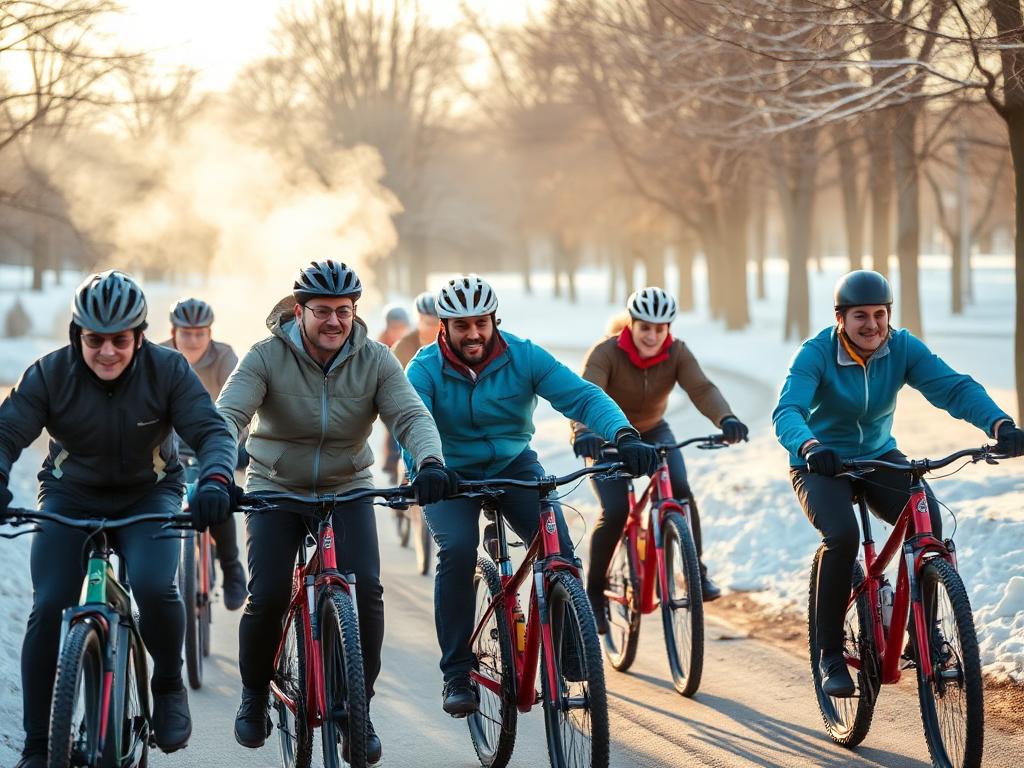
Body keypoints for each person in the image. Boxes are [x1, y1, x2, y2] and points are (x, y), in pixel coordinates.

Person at [216, 259, 455, 764]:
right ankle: (255, 693)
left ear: (354, 312)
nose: (333, 321)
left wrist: (430, 460)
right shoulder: (265, 356)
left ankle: (356, 709)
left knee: (366, 587)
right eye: (321, 311)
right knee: (270, 593)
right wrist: (218, 470)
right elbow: (229, 415)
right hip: (275, 486)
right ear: (298, 311)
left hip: (347, 485)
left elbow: (410, 414)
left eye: (343, 311)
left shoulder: (376, 359)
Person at [0, 270, 237, 768]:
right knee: (48, 607)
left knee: (154, 585)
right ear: (76, 336)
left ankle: (168, 684)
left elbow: (212, 431)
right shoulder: (48, 374)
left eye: (120, 340)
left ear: (140, 335)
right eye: (94, 340)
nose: (107, 351)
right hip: (70, 496)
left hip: (148, 496)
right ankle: (38, 746)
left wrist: (215, 478)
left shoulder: (169, 370)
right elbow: (6, 432)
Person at [404, 274, 659, 716]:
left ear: (494, 320)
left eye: (481, 323)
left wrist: (623, 433)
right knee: (459, 550)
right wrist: (426, 467)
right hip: (447, 472)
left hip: (513, 465)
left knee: (556, 543)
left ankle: (568, 642)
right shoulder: (423, 368)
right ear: (444, 326)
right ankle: (456, 673)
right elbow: (413, 423)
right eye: (462, 325)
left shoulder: (523, 356)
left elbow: (580, 396)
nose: (473, 334)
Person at [773, 269, 1024, 698]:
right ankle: (830, 655)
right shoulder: (815, 353)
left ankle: (921, 635)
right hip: (819, 463)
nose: (871, 325)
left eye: (879, 314)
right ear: (841, 319)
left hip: (877, 455)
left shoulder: (902, 347)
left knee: (929, 525)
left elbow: (954, 388)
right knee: (843, 536)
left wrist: (999, 424)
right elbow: (788, 411)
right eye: (860, 316)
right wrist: (811, 446)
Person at [572, 286, 749, 630]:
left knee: (680, 490)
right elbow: (585, 395)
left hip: (653, 432)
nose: (652, 336)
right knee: (617, 510)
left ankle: (697, 572)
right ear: (632, 326)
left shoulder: (677, 352)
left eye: (660, 328)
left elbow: (701, 388)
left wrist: (725, 418)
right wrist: (584, 433)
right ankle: (594, 595)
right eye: (645, 328)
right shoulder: (606, 352)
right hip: (605, 436)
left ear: (668, 328)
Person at [162, 297, 247, 610]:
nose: (193, 340)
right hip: (168, 443)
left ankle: (231, 567)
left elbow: (238, 407)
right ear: (174, 333)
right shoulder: (159, 355)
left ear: (210, 333)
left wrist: (236, 447)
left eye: (200, 333)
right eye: (186, 333)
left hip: (212, 440)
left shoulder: (225, 357)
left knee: (216, 491)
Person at [384, 291, 439, 483]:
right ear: (418, 320)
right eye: (428, 323)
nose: (435, 328)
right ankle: (401, 468)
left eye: (439, 322)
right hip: (411, 404)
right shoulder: (404, 346)